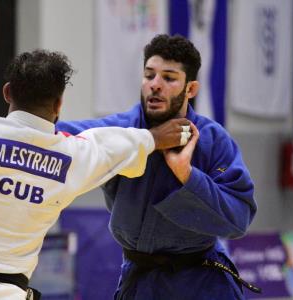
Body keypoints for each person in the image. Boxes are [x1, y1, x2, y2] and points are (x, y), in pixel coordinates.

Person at [0, 49, 194, 300]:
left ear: (7, 92)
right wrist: (155, 137)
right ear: (58, 105)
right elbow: (117, 144)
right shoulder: (73, 156)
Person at [56, 34, 258, 299]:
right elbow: (59, 136)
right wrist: (7, 128)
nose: (155, 85)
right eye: (149, 75)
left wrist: (187, 175)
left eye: (169, 78)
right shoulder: (122, 131)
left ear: (191, 89)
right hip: (141, 281)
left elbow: (238, 219)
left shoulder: (212, 140)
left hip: (203, 283)